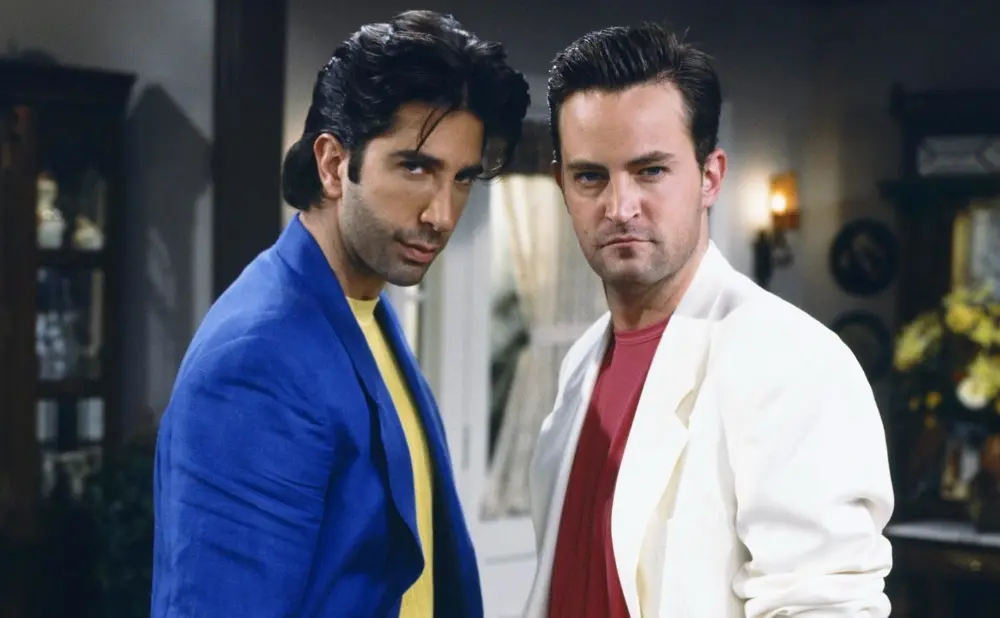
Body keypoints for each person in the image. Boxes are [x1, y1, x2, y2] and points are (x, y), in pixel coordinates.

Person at [151, 10, 530, 617]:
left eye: (462, 179)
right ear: (332, 165)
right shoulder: (258, 358)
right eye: (415, 167)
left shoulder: (367, 312)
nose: (442, 214)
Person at [524, 23, 894, 618]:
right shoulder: (580, 366)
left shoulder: (793, 361)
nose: (620, 207)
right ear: (562, 185)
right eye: (590, 175)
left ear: (710, 177)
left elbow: (824, 606)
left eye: (650, 170)